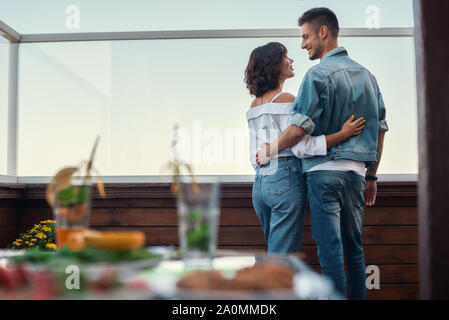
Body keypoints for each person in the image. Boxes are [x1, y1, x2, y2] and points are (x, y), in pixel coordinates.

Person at [256, 8, 388, 299]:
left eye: (305, 37)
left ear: (323, 32)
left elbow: (299, 128)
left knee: (330, 252)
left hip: (322, 174)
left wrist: (269, 149)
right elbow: (380, 129)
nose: (303, 44)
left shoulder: (316, 75)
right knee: (355, 251)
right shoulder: (368, 76)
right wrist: (372, 175)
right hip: (356, 176)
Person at [244, 42, 365, 254]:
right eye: (285, 57)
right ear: (273, 65)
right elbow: (303, 147)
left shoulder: (254, 106)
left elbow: (256, 155)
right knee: (282, 260)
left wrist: (269, 151)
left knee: (276, 253)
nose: (291, 61)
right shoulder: (288, 101)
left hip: (260, 185)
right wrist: (343, 134)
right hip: (285, 181)